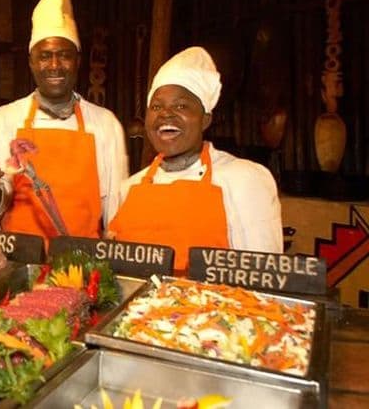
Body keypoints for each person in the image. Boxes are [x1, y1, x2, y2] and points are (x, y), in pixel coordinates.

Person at [108, 46, 283, 272]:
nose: (165, 114)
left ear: (205, 120)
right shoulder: (129, 187)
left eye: (181, 105)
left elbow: (263, 277)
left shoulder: (245, 180)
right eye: (157, 106)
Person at [0, 0, 128, 241]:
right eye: (44, 56)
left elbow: (117, 212)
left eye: (64, 55)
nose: (54, 65)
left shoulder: (105, 124)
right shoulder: (6, 119)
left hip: (84, 267)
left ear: (77, 61)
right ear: (31, 62)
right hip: (19, 267)